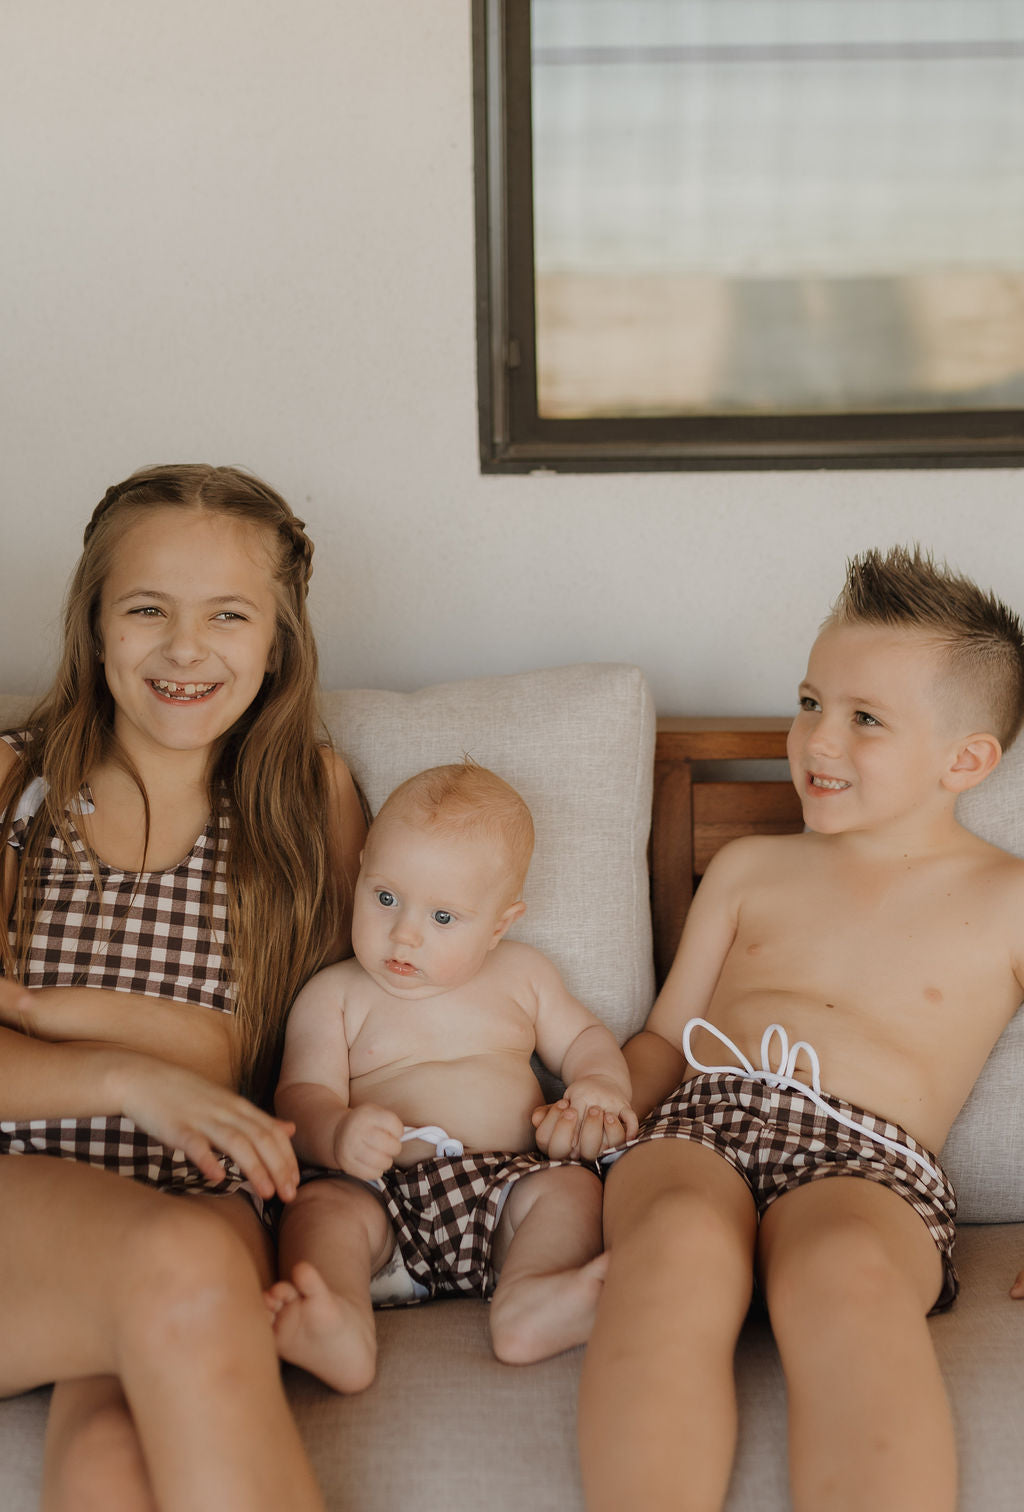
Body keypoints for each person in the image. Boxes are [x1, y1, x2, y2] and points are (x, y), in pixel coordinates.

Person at [578, 547, 1024, 1512]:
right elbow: (664, 1039)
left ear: (967, 759)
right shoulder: (748, 868)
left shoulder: (1008, 899)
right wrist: (605, 1091)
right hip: (705, 1122)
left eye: (865, 719)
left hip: (874, 1162)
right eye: (811, 702)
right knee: (675, 1244)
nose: (817, 740)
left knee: (846, 1274)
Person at [0, 464, 366, 1512]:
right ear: (96, 624)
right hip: (26, 1196)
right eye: (148, 608)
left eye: (228, 614)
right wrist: (125, 1079)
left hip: (210, 1197)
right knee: (177, 1260)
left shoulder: (310, 804)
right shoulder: (14, 791)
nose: (185, 647)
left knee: (113, 1466)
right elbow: (188, 1058)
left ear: (277, 640)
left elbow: (269, 1049)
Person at [266, 760, 637, 1391]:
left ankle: (530, 1301)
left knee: (572, 1194)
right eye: (385, 898)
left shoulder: (524, 976)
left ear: (500, 925)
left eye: (443, 918)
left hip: (506, 1187)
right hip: (379, 1192)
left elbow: (583, 1038)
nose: (403, 935)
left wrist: (600, 1083)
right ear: (358, 876)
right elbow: (300, 1097)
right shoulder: (334, 995)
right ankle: (340, 1325)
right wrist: (337, 1134)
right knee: (319, 1211)